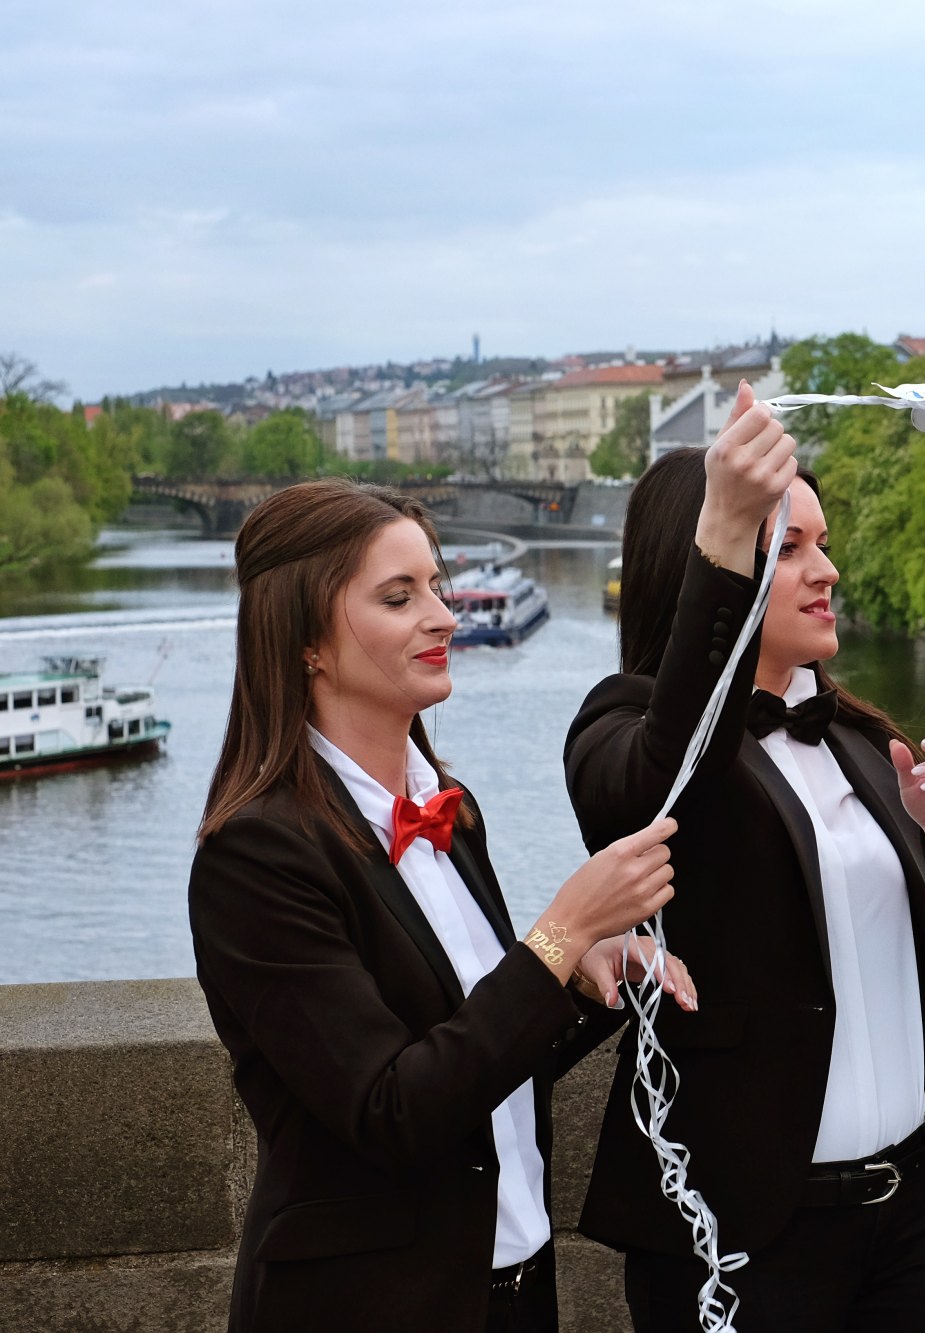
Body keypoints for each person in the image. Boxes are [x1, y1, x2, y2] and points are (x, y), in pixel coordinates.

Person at [563, 384, 925, 1333]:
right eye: (787, 548)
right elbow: (660, 782)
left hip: (923, 1211)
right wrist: (725, 524)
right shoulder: (626, 729)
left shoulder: (860, 737)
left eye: (821, 540)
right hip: (745, 1233)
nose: (827, 570)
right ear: (708, 565)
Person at [188, 478, 693, 1333]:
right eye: (399, 596)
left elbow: (480, 1067)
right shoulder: (256, 854)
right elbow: (394, 1108)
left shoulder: (450, 806)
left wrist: (579, 974)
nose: (444, 617)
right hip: (372, 1305)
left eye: (437, 587)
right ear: (306, 636)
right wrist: (562, 932)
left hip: (515, 1287)